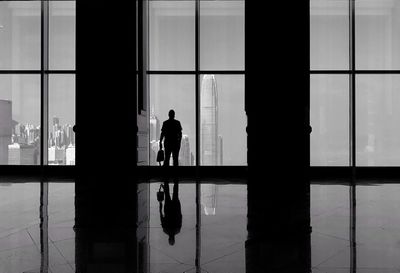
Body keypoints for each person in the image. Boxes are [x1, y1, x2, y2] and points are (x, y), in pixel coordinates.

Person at [159, 179, 182, 245]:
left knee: (175, 193)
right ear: (169, 239)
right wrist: (160, 204)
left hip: (175, 208)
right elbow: (161, 216)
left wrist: (178, 206)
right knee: (167, 194)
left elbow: (180, 217)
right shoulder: (165, 230)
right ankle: (166, 181)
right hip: (168, 209)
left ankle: (176, 181)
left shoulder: (177, 230)